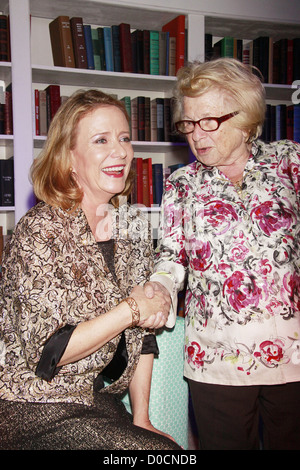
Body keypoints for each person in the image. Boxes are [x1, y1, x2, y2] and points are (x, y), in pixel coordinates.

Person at [0, 89, 181, 450]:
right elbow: (47, 355)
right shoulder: (39, 230)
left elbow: (143, 336)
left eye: (124, 138)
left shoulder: (132, 224)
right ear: (69, 157)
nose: (121, 151)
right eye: (101, 140)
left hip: (99, 402)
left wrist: (141, 417)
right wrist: (131, 310)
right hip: (34, 402)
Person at [146, 58, 300, 450]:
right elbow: (171, 256)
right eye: (188, 123)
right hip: (216, 363)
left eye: (209, 121)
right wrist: (161, 287)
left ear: (246, 119)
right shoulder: (181, 184)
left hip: (294, 356)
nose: (196, 135)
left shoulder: (289, 162)